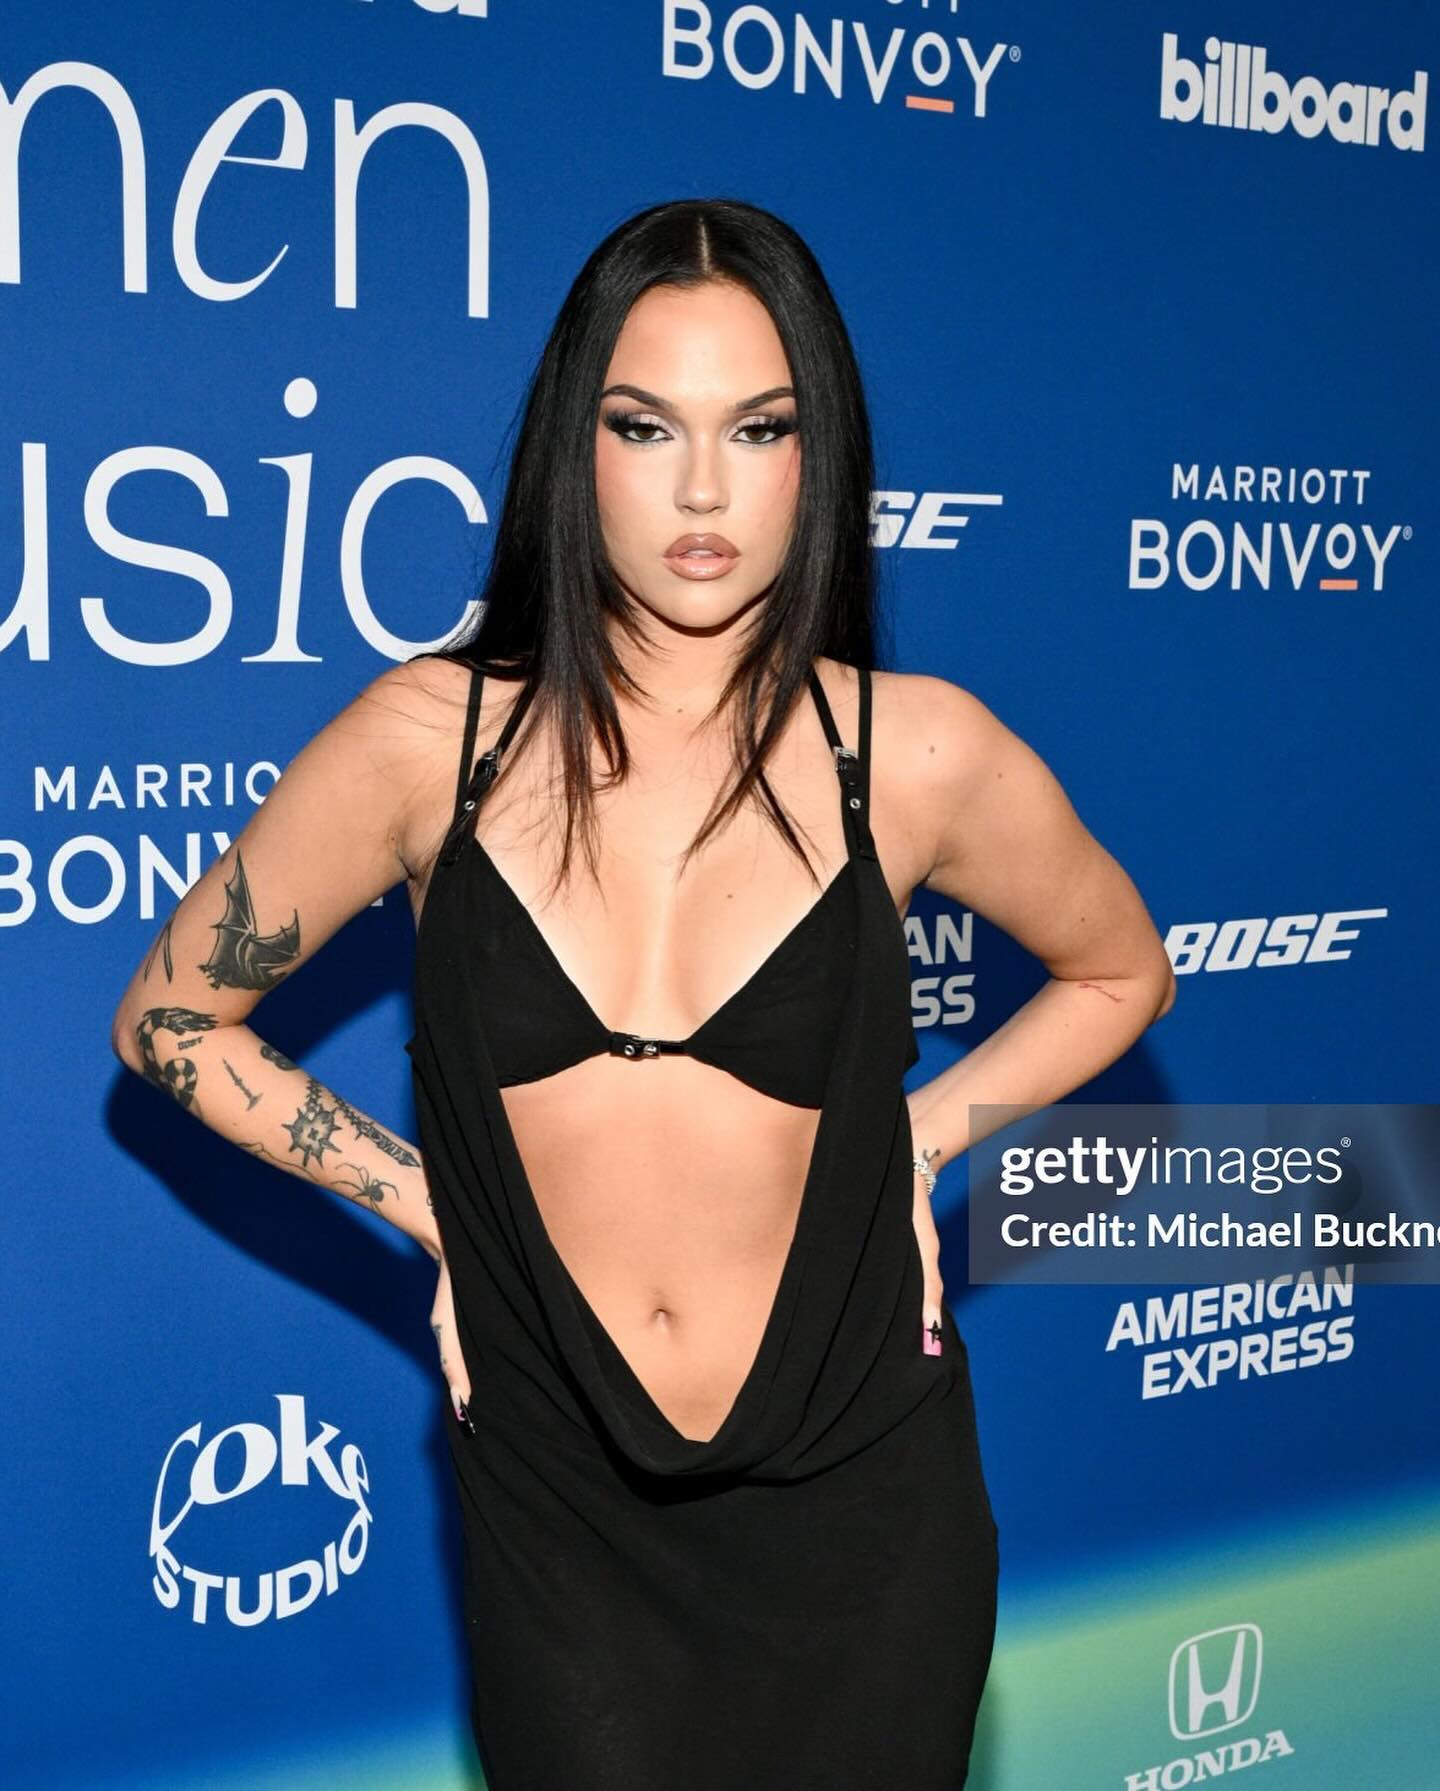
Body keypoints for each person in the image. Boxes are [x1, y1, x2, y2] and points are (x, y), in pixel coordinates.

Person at [110, 196, 1176, 1787]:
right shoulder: (430, 746)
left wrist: (917, 1140)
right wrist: (436, 1211)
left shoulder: (915, 753)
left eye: (759, 428)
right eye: (644, 426)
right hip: (561, 1493)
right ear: (576, 445)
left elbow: (1122, 969)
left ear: (819, 457)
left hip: (861, 1497)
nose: (701, 489)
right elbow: (169, 1020)